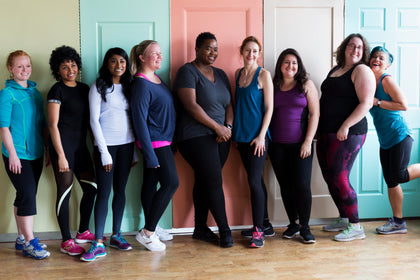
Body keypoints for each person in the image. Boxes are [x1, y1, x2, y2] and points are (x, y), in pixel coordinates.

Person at [173, 32, 234, 248]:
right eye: (208, 48)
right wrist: (217, 127)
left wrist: (227, 127)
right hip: (194, 135)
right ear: (197, 49)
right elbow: (191, 106)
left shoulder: (222, 74)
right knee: (214, 180)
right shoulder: (187, 72)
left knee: (205, 180)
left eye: (215, 49)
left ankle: (200, 228)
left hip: (221, 136)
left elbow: (229, 105)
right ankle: (225, 231)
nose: (212, 52)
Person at [317, 34, 376, 241]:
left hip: (349, 133)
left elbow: (366, 103)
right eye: (351, 45)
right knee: (328, 176)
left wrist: (345, 125)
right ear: (344, 48)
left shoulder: (362, 70)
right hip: (326, 131)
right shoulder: (335, 70)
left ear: (363, 51)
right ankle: (344, 217)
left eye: (359, 47)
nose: (355, 50)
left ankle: (355, 226)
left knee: (340, 177)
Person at [80, 48, 135, 261]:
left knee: (120, 190)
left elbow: (131, 118)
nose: (118, 65)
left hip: (127, 146)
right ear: (107, 64)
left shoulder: (129, 87)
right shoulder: (99, 86)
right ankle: (98, 242)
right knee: (104, 192)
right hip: (106, 147)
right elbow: (94, 121)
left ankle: (116, 235)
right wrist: (103, 152)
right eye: (113, 61)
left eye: (122, 61)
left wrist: (135, 152)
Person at [0, 50, 50, 259]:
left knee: (25, 195)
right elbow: (3, 127)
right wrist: (11, 153)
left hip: (36, 153)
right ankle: (30, 242)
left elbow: (41, 124)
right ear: (10, 69)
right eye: (19, 66)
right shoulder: (6, 93)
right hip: (17, 154)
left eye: (27, 66)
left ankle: (21, 238)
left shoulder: (34, 92)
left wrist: (46, 149)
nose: (24, 70)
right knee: (28, 195)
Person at [47, 46, 97, 255]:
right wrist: (59, 155)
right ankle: (66, 240)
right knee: (64, 193)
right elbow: (52, 125)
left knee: (92, 187)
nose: (70, 69)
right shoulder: (56, 90)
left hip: (80, 146)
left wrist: (97, 148)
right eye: (65, 66)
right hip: (63, 147)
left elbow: (91, 122)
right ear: (57, 70)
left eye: (73, 65)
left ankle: (83, 231)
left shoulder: (85, 89)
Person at [130, 40, 179, 251]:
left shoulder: (156, 78)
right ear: (141, 58)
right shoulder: (140, 83)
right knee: (170, 183)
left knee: (150, 184)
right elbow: (139, 121)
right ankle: (147, 233)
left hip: (164, 140)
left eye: (160, 53)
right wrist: (149, 154)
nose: (159, 57)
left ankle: (153, 226)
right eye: (154, 54)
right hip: (154, 142)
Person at [268, 48, 320, 244]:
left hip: (301, 145)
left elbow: (315, 114)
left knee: (302, 186)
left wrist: (308, 141)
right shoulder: (273, 86)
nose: (291, 66)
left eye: (294, 63)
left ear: (299, 66)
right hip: (277, 146)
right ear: (280, 65)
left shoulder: (306, 84)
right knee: (286, 186)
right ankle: (293, 224)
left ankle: (305, 228)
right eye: (287, 62)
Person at [369, 46, 420, 234]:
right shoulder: (368, 83)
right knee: (391, 180)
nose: (376, 59)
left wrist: (377, 102)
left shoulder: (386, 80)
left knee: (398, 175)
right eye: (374, 56)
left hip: (400, 135)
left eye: (381, 58)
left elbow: (403, 105)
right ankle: (398, 223)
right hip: (386, 140)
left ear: (388, 65)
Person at [232, 36, 274, 248]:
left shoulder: (264, 75)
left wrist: (261, 136)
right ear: (242, 51)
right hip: (241, 137)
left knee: (253, 182)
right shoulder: (238, 74)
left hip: (258, 139)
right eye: (248, 50)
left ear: (259, 53)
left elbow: (269, 109)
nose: (251, 54)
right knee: (255, 179)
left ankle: (258, 231)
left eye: (255, 51)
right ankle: (265, 224)